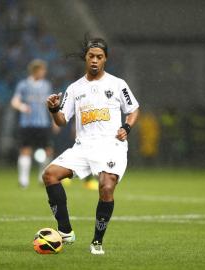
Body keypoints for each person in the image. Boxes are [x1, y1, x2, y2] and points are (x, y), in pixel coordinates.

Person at [42, 37, 139, 255]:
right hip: (83, 146)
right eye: (91, 56)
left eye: (99, 57)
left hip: (111, 145)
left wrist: (127, 127)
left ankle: (97, 241)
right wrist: (54, 109)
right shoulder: (75, 88)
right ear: (85, 58)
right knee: (49, 175)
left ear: (105, 59)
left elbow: (133, 109)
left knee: (106, 187)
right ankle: (65, 231)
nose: (94, 60)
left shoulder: (117, 84)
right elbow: (61, 121)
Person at [11, 59, 54, 188]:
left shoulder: (46, 85)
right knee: (25, 150)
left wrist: (54, 120)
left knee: (47, 151)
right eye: (42, 70)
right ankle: (23, 180)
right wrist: (22, 107)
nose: (44, 72)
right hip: (27, 124)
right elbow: (14, 101)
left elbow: (50, 105)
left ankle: (42, 176)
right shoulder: (23, 85)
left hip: (43, 123)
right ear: (35, 71)